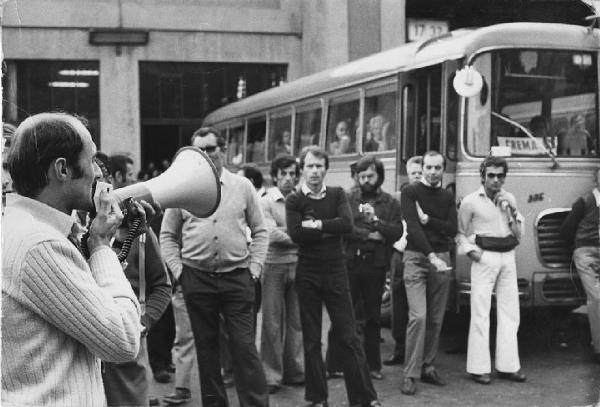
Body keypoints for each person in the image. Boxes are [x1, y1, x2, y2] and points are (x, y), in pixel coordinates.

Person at [2, 112, 154, 406]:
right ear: (62, 169)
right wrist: (100, 246)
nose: (98, 172)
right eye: (93, 159)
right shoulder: (40, 244)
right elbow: (123, 340)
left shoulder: (23, 226)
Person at [160, 126, 269, 407]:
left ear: (223, 150)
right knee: (207, 353)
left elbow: (260, 230)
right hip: (196, 278)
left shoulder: (242, 186)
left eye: (211, 149)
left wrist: (254, 268)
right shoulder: (182, 190)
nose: (206, 155)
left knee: (244, 348)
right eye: (199, 150)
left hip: (237, 277)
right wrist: (180, 272)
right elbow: (168, 236)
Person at [286, 146, 382, 407]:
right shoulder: (295, 200)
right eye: (310, 166)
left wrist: (316, 225)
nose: (315, 171)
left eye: (319, 166)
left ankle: (364, 399)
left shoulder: (338, 194)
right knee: (312, 338)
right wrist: (329, 228)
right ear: (302, 169)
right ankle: (317, 398)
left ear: (326, 169)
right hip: (307, 272)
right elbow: (295, 233)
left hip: (336, 270)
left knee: (348, 335)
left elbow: (347, 225)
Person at [102, 154, 172, 406]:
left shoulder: (143, 234)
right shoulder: (83, 229)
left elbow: (162, 287)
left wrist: (143, 324)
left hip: (129, 348)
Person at [457, 156, 527, 385]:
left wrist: (510, 210)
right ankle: (479, 368)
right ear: (483, 176)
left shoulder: (510, 199)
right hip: (485, 257)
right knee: (480, 312)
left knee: (510, 312)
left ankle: (508, 366)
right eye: (491, 175)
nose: (496, 180)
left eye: (500, 176)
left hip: (508, 256)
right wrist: (473, 253)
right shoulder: (470, 202)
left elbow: (518, 233)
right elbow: (461, 232)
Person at [400, 150, 457, 396]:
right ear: (421, 168)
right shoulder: (410, 192)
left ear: (443, 169)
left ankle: (428, 366)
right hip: (417, 257)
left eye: (438, 168)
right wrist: (430, 255)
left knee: (435, 317)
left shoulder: (446, 196)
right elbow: (412, 227)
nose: (433, 172)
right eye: (429, 167)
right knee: (419, 316)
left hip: (442, 259)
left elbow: (451, 228)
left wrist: (428, 220)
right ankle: (410, 374)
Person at [344, 155, 403, 379]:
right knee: (349, 315)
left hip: (377, 264)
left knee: (373, 317)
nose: (366, 180)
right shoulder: (348, 198)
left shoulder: (390, 202)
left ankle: (373, 366)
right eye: (362, 176)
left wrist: (377, 223)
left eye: (370, 175)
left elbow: (396, 231)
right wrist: (372, 234)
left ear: (379, 176)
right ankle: (348, 364)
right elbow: (345, 227)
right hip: (351, 261)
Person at [260, 154, 305, 394]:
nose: (288, 178)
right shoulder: (266, 201)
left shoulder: (301, 200)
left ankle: (295, 371)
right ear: (275, 176)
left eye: (292, 174)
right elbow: (270, 234)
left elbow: (309, 226)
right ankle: (271, 376)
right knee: (271, 323)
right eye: (283, 174)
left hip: (298, 264)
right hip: (273, 266)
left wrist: (290, 232)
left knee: (297, 322)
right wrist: (299, 234)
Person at [384, 155, 423, 366]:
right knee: (397, 301)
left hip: (421, 254)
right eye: (413, 173)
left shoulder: (430, 196)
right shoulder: (397, 198)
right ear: (407, 175)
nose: (417, 177)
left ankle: (418, 352)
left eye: (420, 173)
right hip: (400, 253)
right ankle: (399, 348)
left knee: (418, 306)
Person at [561, 167, 600, 362]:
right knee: (597, 297)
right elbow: (566, 229)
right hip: (587, 253)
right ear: (596, 179)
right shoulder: (585, 201)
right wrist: (578, 248)